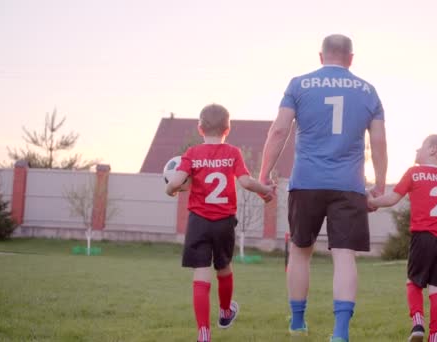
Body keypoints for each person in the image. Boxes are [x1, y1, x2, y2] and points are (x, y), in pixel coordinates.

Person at [259, 34, 388, 342]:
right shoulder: (368, 91)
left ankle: (298, 324)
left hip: (307, 182)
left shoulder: (299, 84)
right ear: (351, 58)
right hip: (350, 186)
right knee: (344, 257)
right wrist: (380, 185)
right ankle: (340, 334)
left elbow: (279, 130)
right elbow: (380, 141)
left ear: (321, 56)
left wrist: (263, 173)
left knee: (300, 252)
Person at [166, 104, 276, 342]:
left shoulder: (192, 153)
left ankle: (204, 334)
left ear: (200, 128)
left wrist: (170, 189)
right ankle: (225, 312)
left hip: (198, 222)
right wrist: (265, 191)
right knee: (223, 267)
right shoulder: (233, 152)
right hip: (224, 222)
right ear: (228, 129)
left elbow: (175, 182)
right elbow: (246, 182)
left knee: (201, 274)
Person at [367, 134, 437, 342]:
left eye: (421, 146)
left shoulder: (415, 173)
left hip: (424, 237)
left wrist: (371, 202)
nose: (416, 150)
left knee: (414, 283)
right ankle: (435, 338)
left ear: (433, 150)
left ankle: (417, 324)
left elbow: (392, 199)